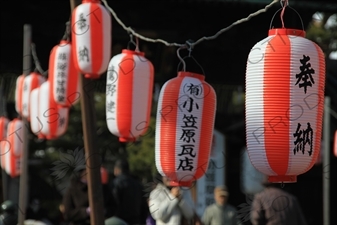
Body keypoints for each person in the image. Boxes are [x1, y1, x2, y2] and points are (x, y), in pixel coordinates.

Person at [111, 158, 145, 225]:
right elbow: (143, 206)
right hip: (136, 221)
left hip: (119, 221)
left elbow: (112, 204)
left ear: (116, 170)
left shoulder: (115, 183)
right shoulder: (138, 184)